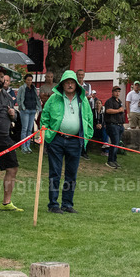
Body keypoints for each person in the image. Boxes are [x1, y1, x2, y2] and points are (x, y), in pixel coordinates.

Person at [39, 70, 93, 213]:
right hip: (56, 140)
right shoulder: (53, 99)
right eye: (67, 82)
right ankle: (53, 205)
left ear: (76, 84)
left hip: (75, 141)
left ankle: (67, 204)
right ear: (62, 84)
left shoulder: (83, 100)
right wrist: (46, 133)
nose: (69, 85)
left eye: (72, 82)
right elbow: (44, 116)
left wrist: (87, 135)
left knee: (71, 174)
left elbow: (89, 118)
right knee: (55, 173)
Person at [0, 66, 21, 211]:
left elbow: (13, 117)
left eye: (2, 77)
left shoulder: (8, 96)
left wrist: (13, 114)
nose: (0, 80)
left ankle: (6, 202)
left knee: (12, 168)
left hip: (5, 137)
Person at [15, 73, 39, 153]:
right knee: (24, 129)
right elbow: (18, 99)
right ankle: (23, 146)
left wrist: (37, 107)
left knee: (30, 129)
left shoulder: (33, 88)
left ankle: (28, 146)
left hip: (32, 110)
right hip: (25, 110)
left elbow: (36, 98)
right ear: (25, 80)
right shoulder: (22, 88)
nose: (29, 81)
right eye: (28, 80)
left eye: (31, 80)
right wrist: (22, 107)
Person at [103, 86, 125, 168]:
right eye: (116, 91)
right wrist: (118, 110)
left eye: (119, 91)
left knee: (117, 143)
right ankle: (110, 160)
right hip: (112, 125)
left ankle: (114, 160)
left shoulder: (119, 101)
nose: (117, 93)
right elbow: (108, 110)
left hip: (119, 125)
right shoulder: (109, 101)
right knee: (114, 143)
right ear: (112, 92)